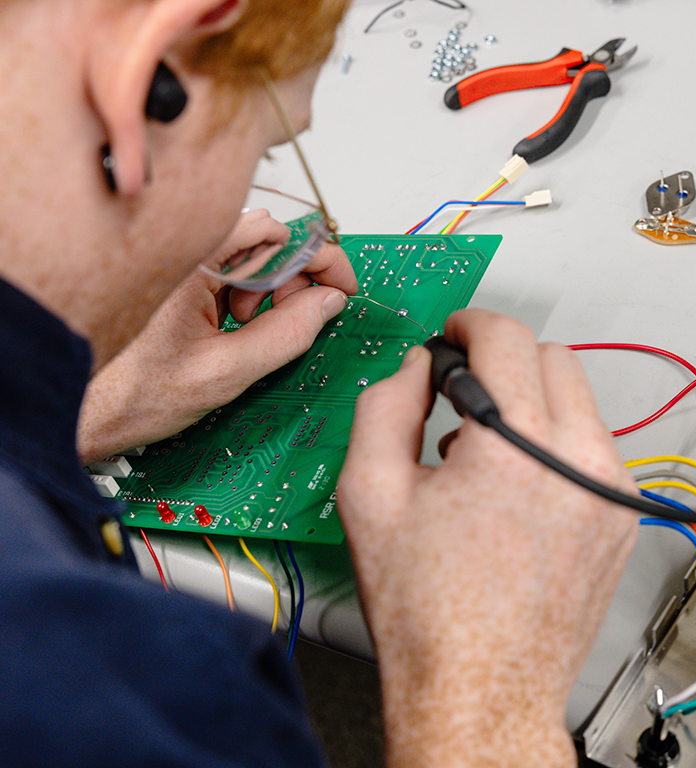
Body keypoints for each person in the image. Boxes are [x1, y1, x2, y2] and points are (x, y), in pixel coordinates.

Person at [0, 0, 638, 766]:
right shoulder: (88, 674)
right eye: (267, 150)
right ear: (146, 83)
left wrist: (78, 409)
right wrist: (487, 711)